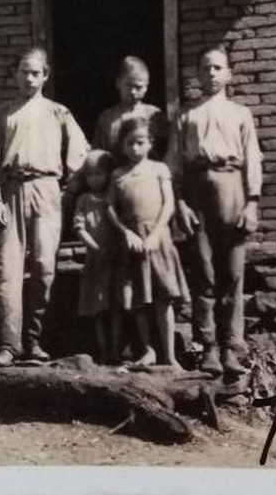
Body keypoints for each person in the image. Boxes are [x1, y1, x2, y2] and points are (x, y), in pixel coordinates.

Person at [0, 47, 90, 366]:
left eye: (35, 72)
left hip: (46, 190)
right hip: (12, 190)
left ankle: (34, 340)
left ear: (45, 75)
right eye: (23, 72)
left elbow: (82, 153)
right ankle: (8, 344)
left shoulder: (59, 112)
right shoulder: (4, 113)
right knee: (8, 270)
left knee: (44, 268)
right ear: (15, 74)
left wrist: (67, 190)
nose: (29, 78)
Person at [169, 45, 262, 379]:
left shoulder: (240, 115)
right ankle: (207, 346)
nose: (211, 73)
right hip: (196, 191)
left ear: (228, 74)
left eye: (217, 68)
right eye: (205, 68)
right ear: (197, 74)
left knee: (232, 274)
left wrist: (251, 202)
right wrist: (179, 203)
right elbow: (174, 165)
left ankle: (231, 348)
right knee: (204, 271)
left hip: (233, 188)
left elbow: (253, 159)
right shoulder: (185, 115)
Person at [107, 117, 190, 369]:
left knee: (163, 298)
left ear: (150, 143)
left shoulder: (159, 170)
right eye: (129, 143)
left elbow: (168, 203)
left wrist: (155, 233)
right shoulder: (118, 174)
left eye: (139, 142)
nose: (134, 148)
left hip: (158, 239)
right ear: (122, 146)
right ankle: (147, 350)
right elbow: (110, 207)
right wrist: (125, 233)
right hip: (132, 242)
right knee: (139, 300)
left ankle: (169, 355)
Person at [72, 149, 123, 364]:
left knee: (118, 306)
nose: (94, 179)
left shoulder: (115, 198)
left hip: (117, 259)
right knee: (99, 308)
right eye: (90, 174)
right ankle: (103, 351)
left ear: (109, 173)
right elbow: (79, 227)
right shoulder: (84, 199)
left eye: (99, 173)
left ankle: (117, 351)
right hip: (96, 260)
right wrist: (94, 248)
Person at [92, 55, 169, 159]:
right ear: (118, 83)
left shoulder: (154, 116)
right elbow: (98, 156)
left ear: (146, 86)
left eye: (138, 87)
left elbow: (167, 152)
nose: (133, 92)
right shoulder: (106, 119)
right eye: (128, 85)